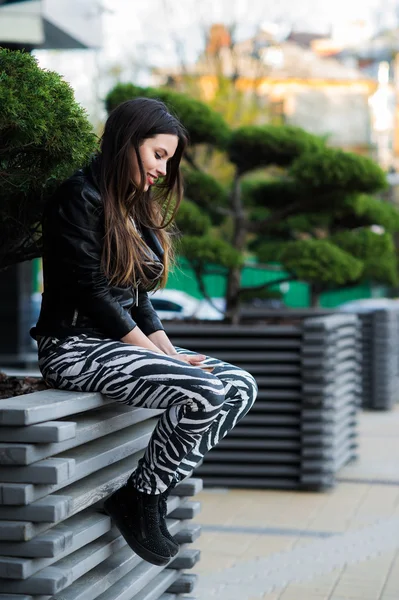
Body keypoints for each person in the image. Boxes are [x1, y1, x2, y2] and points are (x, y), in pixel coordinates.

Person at [31, 97, 258, 567]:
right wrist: (167, 363)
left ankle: (146, 491)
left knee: (239, 386)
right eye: (158, 154)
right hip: (73, 348)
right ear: (126, 142)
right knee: (203, 392)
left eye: (168, 160)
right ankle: (143, 498)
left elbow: (138, 301)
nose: (162, 169)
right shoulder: (78, 197)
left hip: (117, 349)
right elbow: (94, 295)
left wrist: (169, 354)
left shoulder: (130, 209)